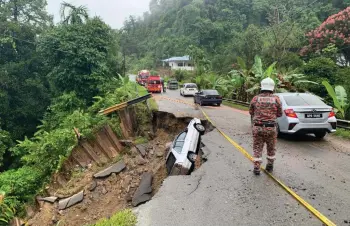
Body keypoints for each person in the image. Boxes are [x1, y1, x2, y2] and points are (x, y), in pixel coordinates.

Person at [249, 78, 282, 175]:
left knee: (257, 147)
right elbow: (280, 114)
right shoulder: (276, 99)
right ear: (272, 88)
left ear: (261, 87)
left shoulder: (255, 98)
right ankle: (270, 166)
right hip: (271, 128)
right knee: (271, 147)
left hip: (257, 127)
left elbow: (251, 112)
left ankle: (256, 167)